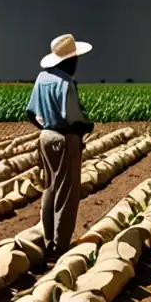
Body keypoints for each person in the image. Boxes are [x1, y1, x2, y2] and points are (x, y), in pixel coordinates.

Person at [26, 33, 96, 259]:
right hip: (65, 138)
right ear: (68, 60)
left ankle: (48, 239)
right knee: (67, 191)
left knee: (50, 186)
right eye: (75, 59)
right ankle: (60, 245)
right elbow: (73, 118)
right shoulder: (66, 83)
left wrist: (45, 127)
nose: (76, 63)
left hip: (45, 136)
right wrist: (88, 126)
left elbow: (30, 112)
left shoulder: (41, 78)